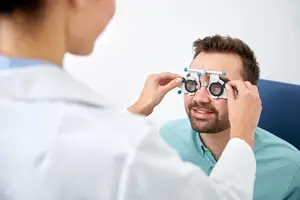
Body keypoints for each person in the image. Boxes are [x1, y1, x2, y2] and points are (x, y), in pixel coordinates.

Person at [0, 1, 262, 200]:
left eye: (217, 87)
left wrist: (136, 110)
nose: (114, 8)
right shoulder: (131, 148)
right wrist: (242, 138)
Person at [129, 35, 300, 200]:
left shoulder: (291, 169)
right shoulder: (167, 136)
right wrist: (139, 108)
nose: (199, 98)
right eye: (192, 83)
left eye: (217, 87)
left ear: (249, 95)